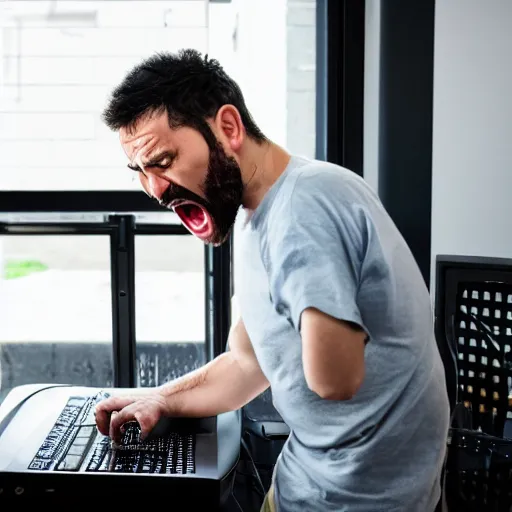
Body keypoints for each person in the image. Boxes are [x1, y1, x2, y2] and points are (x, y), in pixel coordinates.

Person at [94, 49, 450, 511]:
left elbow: (336, 380)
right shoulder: (254, 213)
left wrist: (310, 275)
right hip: (302, 483)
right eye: (141, 172)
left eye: (163, 161)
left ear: (228, 127)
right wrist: (157, 399)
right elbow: (247, 365)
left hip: (361, 502)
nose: (155, 189)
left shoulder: (306, 208)